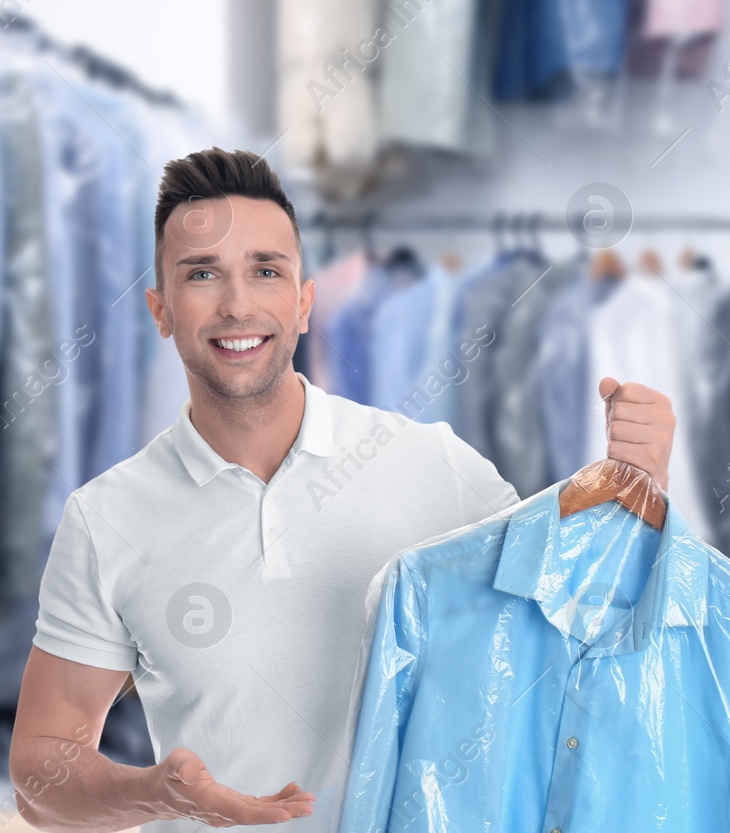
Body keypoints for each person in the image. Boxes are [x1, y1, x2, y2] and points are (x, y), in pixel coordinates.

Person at [9, 148, 680, 831]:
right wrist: (161, 791)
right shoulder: (106, 518)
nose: (238, 303)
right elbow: (41, 771)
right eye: (202, 274)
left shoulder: (434, 466)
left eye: (265, 271)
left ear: (304, 304)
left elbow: (581, 634)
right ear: (160, 309)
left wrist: (642, 487)